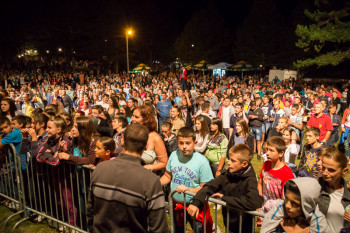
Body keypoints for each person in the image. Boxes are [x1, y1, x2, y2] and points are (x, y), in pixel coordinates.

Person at [87, 124, 168, 233]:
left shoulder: (99, 169)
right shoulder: (150, 181)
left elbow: (90, 211)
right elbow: (159, 227)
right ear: (145, 146)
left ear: (122, 141)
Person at [187, 144, 264, 233]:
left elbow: (254, 202)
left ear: (244, 164)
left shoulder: (250, 180)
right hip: (229, 223)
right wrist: (196, 202)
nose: (229, 163)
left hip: (244, 227)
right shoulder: (227, 174)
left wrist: (224, 198)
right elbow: (210, 186)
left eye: (233, 161)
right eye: (229, 159)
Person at [160, 127, 213, 233]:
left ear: (195, 143)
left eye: (188, 143)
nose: (184, 147)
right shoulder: (174, 155)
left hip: (195, 207)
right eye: (181, 143)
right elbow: (167, 176)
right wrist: (154, 184)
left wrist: (188, 190)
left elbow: (206, 188)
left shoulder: (202, 161)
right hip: (177, 206)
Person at [261, 178, 329, 233]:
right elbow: (265, 230)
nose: (287, 206)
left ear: (307, 204)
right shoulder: (282, 206)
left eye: (295, 204)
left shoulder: (318, 220)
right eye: (286, 199)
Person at [258, 136, 294, 217]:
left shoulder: (287, 173)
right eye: (267, 149)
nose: (267, 153)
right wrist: (259, 201)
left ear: (281, 153)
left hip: (276, 213)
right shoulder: (266, 164)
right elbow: (260, 183)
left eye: (271, 151)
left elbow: (285, 198)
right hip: (263, 207)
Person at [317, 148, 350, 233]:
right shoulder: (315, 187)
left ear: (344, 171)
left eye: (331, 170)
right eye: (324, 168)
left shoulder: (348, 191)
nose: (324, 172)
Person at [131, 105, 168, 172]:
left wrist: (147, 168)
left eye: (136, 117)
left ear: (146, 120)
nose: (132, 119)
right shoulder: (131, 133)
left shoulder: (155, 137)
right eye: (133, 116)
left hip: (148, 177)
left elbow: (164, 163)